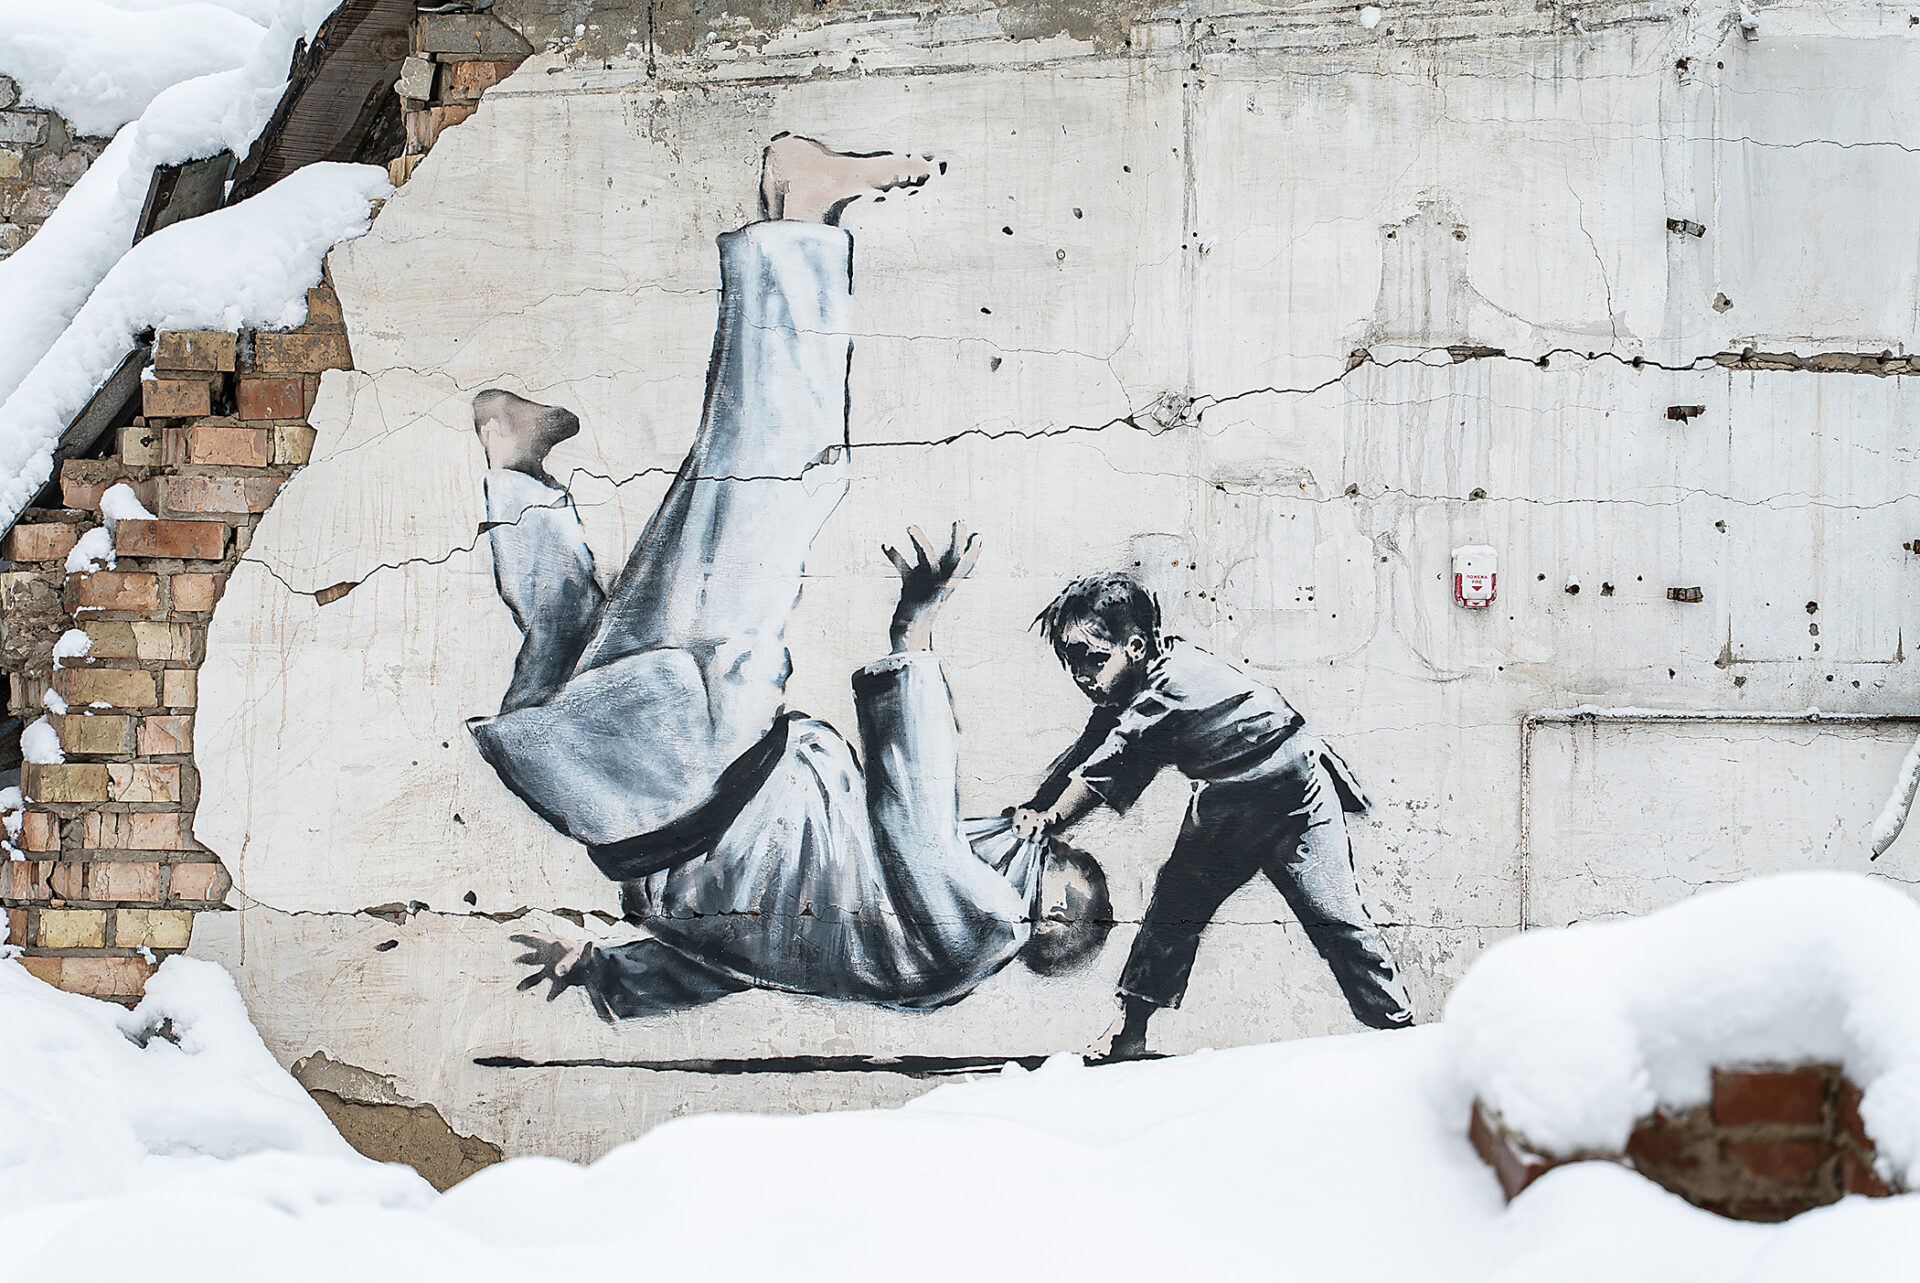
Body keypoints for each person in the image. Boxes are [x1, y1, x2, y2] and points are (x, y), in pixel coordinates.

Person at [467, 135, 1111, 1020]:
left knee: (784, 476)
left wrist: (913, 636)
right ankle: (513, 464)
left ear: (1048, 913)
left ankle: (802, 213)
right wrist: (600, 972)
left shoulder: (982, 924)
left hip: (704, 756)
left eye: (1047, 851)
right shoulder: (891, 957)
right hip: (597, 803)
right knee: (579, 640)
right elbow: (736, 958)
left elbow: (917, 818)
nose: (1028, 826)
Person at [1012, 572, 1413, 1061]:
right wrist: (1039, 804)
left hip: (1295, 788)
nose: (1082, 675)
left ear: (1135, 647)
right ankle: (1130, 1033)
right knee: (1172, 913)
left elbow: (1106, 768)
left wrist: (1052, 818)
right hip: (1233, 799)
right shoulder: (1143, 678)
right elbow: (1088, 749)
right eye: (1071, 661)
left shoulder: (1165, 692)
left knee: (1337, 921)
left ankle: (1399, 1032)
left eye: (1094, 659)